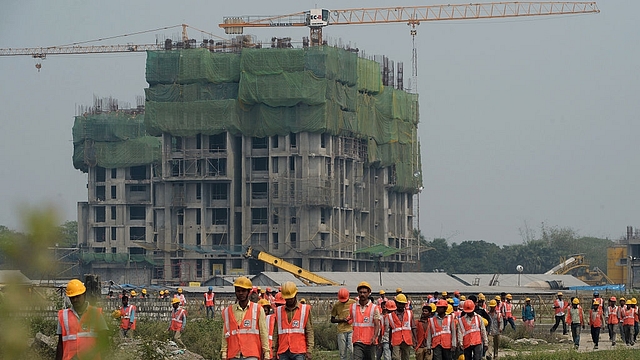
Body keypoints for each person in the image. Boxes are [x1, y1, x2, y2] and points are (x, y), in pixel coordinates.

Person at [56, 279, 109, 360]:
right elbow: (60, 345)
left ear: (84, 295)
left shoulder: (96, 314)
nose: (75, 300)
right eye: (72, 297)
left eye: (77, 296)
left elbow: (104, 341)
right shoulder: (63, 316)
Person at [221, 276, 270, 360]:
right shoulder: (228, 311)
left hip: (251, 353)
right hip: (234, 353)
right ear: (235, 292)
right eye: (238, 291)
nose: (241, 293)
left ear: (248, 292)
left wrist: (266, 352)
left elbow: (263, 333)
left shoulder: (257, 309)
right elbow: (225, 333)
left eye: (243, 291)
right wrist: (224, 352)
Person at [273, 281, 314, 360]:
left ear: (296, 295)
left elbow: (309, 331)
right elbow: (275, 333)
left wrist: (309, 350)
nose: (289, 300)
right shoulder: (278, 311)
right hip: (283, 350)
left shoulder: (305, 310)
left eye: (290, 298)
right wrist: (274, 351)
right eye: (287, 298)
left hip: (299, 350)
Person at [351, 282, 382, 360]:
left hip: (370, 342)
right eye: (360, 292)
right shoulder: (353, 307)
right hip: (357, 341)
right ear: (358, 293)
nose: (362, 294)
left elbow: (377, 325)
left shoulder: (374, 308)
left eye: (364, 292)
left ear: (368, 293)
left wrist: (374, 337)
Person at [387, 293, 415, 360]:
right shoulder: (390, 315)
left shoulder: (409, 313)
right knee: (395, 357)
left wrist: (415, 339)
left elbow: (413, 327)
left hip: (407, 339)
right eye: (399, 303)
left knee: (406, 357)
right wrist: (389, 341)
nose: (401, 306)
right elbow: (391, 329)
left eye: (403, 304)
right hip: (396, 340)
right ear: (396, 303)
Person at [331, 288, 356, 360]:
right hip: (341, 331)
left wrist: (351, 319)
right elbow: (332, 320)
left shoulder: (353, 303)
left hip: (351, 329)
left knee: (352, 350)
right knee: (342, 353)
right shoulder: (336, 305)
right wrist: (341, 320)